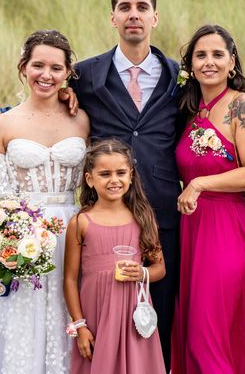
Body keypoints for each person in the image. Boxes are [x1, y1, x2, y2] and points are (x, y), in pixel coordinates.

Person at [0, 0, 182, 371]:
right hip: (85, 227)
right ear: (113, 17)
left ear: (155, 16)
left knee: (155, 323)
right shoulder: (87, 76)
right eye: (125, 7)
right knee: (88, 320)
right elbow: (43, 92)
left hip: (158, 215)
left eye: (142, 7)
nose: (133, 15)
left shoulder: (179, 76)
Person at [0, 29, 89, 374]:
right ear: (24, 67)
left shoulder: (82, 118)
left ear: (67, 73)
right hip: (20, 234)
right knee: (20, 324)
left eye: (56, 68)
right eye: (38, 65)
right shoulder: (1, 123)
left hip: (72, 233)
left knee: (68, 318)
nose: (46, 75)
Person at [173, 24, 245, 373]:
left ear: (232, 62)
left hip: (226, 229)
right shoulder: (187, 109)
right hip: (191, 230)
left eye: (218, 55)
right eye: (200, 55)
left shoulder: (243, 107)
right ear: (190, 64)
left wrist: (200, 184)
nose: (209, 62)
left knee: (209, 333)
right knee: (192, 330)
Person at [64, 139, 166, 373]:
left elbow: (160, 268)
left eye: (121, 172)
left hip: (133, 313)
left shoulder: (142, 217)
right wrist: (80, 326)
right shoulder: (81, 222)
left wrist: (142, 273)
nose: (114, 180)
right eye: (105, 174)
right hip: (96, 312)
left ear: (130, 175)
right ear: (90, 179)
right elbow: (70, 279)